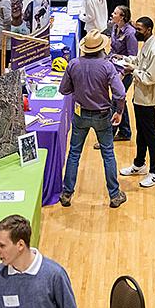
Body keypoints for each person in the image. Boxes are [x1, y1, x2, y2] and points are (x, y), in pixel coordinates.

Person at [59, 30, 127, 208]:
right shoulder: (107, 66)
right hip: (102, 115)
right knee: (108, 154)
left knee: (74, 153)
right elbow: (120, 93)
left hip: (80, 114)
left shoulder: (73, 64)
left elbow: (63, 90)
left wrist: (78, 87)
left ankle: (67, 194)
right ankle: (114, 195)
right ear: (101, 48)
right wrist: (119, 111)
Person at [117, 16, 155, 188]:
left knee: (150, 134)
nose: (136, 32)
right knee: (140, 131)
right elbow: (140, 62)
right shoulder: (147, 45)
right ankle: (139, 164)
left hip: (147, 98)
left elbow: (150, 77)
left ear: (148, 30)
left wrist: (132, 70)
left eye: (139, 30)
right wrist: (126, 59)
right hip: (140, 96)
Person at [109, 6, 137, 141]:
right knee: (120, 101)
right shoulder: (114, 27)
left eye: (115, 13)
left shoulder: (130, 33)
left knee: (116, 101)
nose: (112, 14)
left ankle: (110, 134)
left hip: (124, 72)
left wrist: (123, 73)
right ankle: (125, 131)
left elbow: (133, 57)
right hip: (113, 69)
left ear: (122, 17)